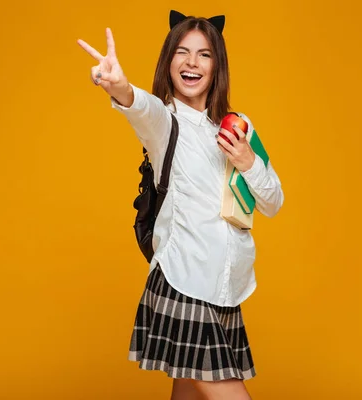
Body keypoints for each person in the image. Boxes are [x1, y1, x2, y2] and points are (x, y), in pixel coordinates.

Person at [78, 10, 284, 400]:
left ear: (216, 65)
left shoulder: (238, 126)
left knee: (186, 395)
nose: (192, 63)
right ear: (168, 60)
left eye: (204, 54)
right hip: (183, 282)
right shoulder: (165, 122)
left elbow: (273, 201)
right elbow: (141, 107)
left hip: (227, 288)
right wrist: (119, 87)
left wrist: (248, 162)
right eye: (182, 52)